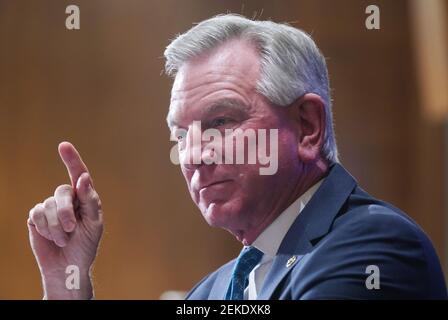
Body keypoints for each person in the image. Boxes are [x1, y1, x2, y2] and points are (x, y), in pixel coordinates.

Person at [27, 14, 447, 300]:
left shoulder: (375, 248)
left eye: (220, 122)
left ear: (307, 126)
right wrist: (68, 283)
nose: (192, 154)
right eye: (180, 133)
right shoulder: (212, 291)